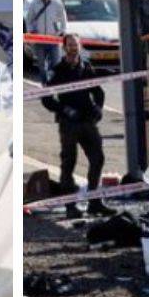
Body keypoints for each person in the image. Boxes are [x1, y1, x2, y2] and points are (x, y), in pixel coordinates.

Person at [40, 34, 108, 218]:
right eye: (69, 45)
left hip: (87, 121)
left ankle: (95, 202)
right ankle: (70, 206)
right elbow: (46, 98)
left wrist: (98, 109)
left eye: (76, 45)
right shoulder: (57, 70)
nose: (73, 48)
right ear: (63, 48)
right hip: (69, 123)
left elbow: (98, 91)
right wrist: (63, 110)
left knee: (98, 159)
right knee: (68, 164)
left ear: (80, 46)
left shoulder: (86, 67)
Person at [24, 0, 67, 80]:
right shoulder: (34, 3)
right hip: (39, 39)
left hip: (53, 38)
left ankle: (52, 81)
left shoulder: (57, 3)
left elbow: (63, 18)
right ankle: (44, 82)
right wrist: (31, 31)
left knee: (56, 63)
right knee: (41, 65)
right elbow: (29, 19)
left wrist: (62, 31)